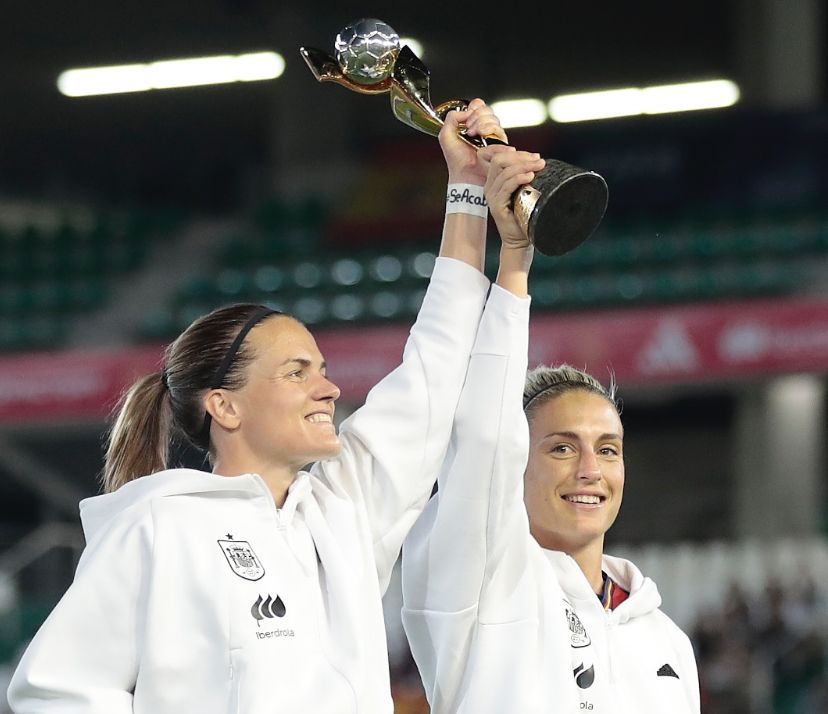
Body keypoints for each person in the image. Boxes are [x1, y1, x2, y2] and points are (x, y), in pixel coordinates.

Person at [6, 102, 545, 713]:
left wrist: (468, 193)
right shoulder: (158, 527)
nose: (329, 389)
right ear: (224, 406)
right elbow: (55, 694)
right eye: (296, 373)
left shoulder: (345, 511)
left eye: (323, 370)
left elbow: (436, 366)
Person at [401, 182, 701, 712]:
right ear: (515, 462)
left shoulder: (665, 639)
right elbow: (482, 438)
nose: (591, 469)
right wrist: (515, 259)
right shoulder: (480, 586)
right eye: (562, 449)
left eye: (608, 450)